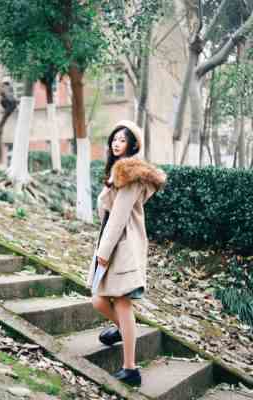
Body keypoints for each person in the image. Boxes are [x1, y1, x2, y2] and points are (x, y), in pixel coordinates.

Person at [87, 120, 166, 387]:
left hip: (122, 244)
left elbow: (119, 215)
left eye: (122, 140)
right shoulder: (117, 172)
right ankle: (124, 328)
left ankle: (131, 369)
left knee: (121, 302)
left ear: (133, 145)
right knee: (99, 300)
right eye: (114, 139)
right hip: (112, 241)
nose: (116, 143)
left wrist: (104, 251)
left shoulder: (130, 175)